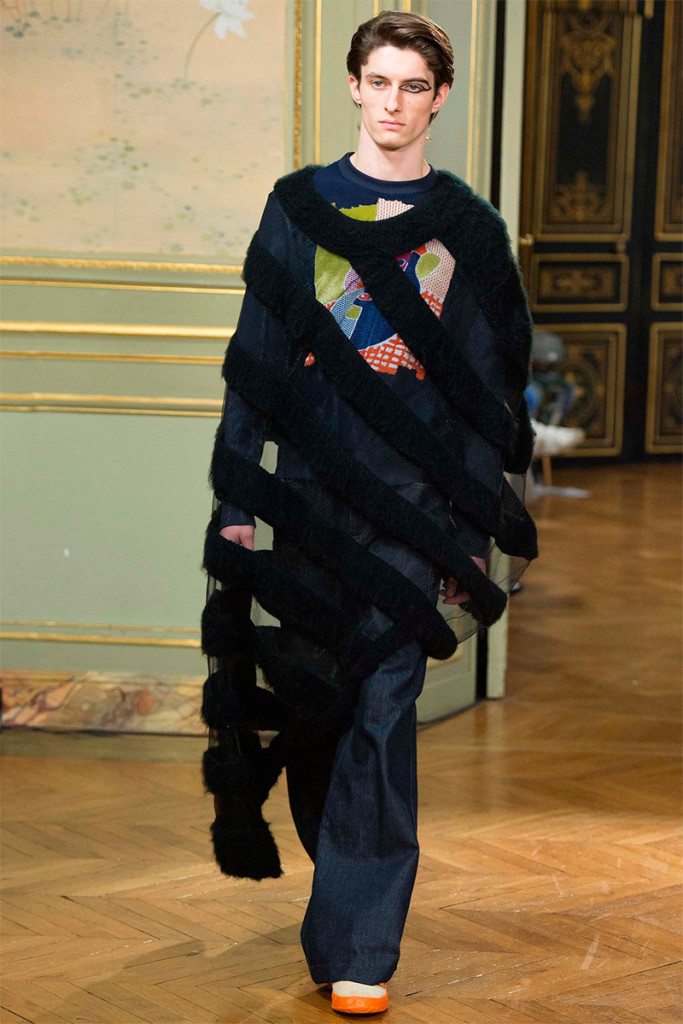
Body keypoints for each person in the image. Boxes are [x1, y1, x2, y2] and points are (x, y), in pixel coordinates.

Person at [200, 9, 537, 1016]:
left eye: (412, 86)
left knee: (383, 719)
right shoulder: (298, 210)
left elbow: (484, 395)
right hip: (304, 505)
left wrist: (463, 538)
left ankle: (361, 947)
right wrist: (236, 500)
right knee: (317, 709)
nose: (393, 103)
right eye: (378, 82)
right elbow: (256, 358)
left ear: (439, 98)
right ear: (353, 85)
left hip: (410, 510)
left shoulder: (467, 233)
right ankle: (342, 899)